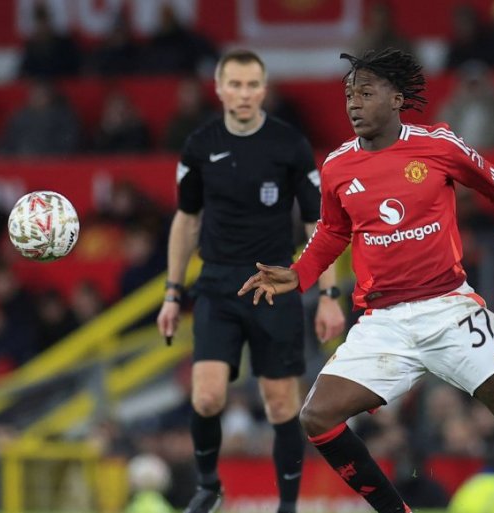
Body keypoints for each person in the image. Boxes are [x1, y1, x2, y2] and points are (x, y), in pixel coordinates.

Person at [239, 48, 494, 513]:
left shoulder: (438, 145)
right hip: (382, 321)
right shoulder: (337, 166)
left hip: (448, 308)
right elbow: (333, 231)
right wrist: (299, 275)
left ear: (397, 99)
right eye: (348, 95)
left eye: (365, 93)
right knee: (317, 416)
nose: (354, 103)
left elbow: (491, 179)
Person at [156, 49, 346, 513]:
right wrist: (172, 293)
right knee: (207, 397)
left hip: (274, 282)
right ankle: (208, 485)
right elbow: (186, 220)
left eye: (252, 85)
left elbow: (319, 224)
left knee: (281, 404)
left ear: (264, 90)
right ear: (219, 89)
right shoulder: (200, 145)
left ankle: (287, 505)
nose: (243, 94)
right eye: (235, 85)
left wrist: (329, 295)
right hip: (217, 284)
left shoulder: (289, 144)